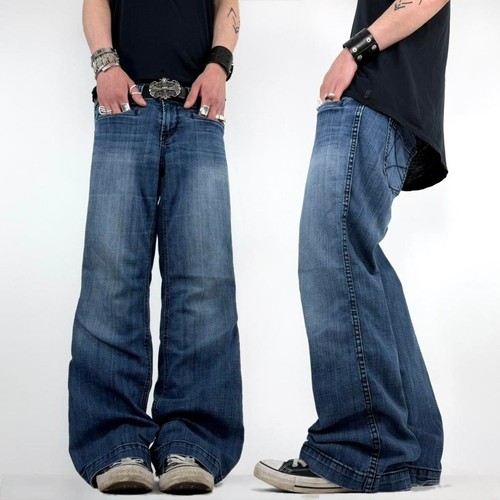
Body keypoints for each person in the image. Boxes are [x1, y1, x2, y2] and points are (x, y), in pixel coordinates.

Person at [254, 0, 450, 494]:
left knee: (332, 254)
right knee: (357, 258)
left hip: (373, 98)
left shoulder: (364, 62)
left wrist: (354, 51)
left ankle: (361, 449)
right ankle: (412, 446)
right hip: (389, 106)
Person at [68, 0, 243, 494]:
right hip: (126, 106)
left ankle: (193, 443)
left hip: (198, 109)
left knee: (204, 281)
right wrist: (105, 64)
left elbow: (228, 5)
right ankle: (115, 443)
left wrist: (219, 66)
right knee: (112, 278)